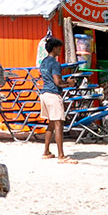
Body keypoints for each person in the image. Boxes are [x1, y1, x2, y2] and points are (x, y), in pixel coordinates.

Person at [37, 32, 67, 161]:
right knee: (58, 124)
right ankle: (61, 156)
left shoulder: (43, 62)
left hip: (44, 94)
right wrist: (69, 83)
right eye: (59, 48)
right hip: (54, 94)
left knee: (50, 123)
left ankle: (46, 151)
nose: (60, 50)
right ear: (54, 48)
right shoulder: (55, 63)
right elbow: (58, 82)